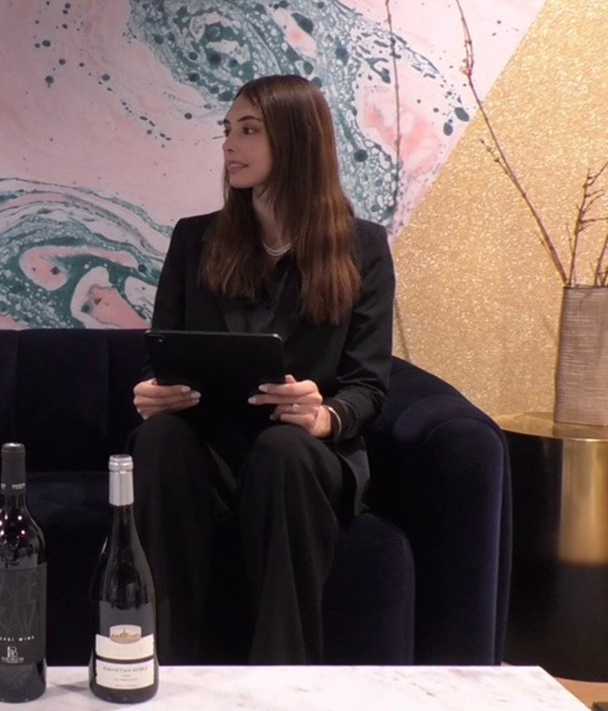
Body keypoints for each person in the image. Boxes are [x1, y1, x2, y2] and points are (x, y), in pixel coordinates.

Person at [129, 74, 395, 665]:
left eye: (248, 130)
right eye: (228, 130)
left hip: (299, 456)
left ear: (297, 140)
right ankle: (161, 666)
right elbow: (160, 358)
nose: (229, 145)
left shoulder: (362, 247)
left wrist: (325, 417)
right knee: (159, 440)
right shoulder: (195, 240)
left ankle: (282, 679)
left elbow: (368, 385)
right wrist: (152, 392)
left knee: (284, 449)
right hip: (207, 446)